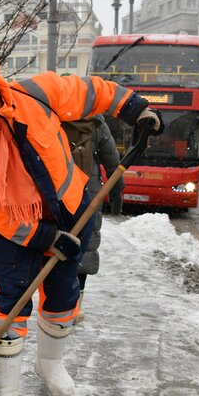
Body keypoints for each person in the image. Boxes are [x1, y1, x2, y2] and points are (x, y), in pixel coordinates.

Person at [0, 46, 161, 396]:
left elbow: (91, 92)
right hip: (9, 234)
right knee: (12, 300)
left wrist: (135, 108)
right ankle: (6, 394)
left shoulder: (36, 95)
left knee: (65, 295)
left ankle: (50, 363)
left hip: (72, 210)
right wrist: (44, 237)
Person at [74, 115, 124, 325]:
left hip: (59, 188)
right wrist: (116, 198)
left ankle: (55, 303)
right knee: (84, 248)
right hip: (88, 192)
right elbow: (113, 162)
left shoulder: (51, 113)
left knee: (59, 244)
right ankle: (74, 307)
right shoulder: (96, 121)